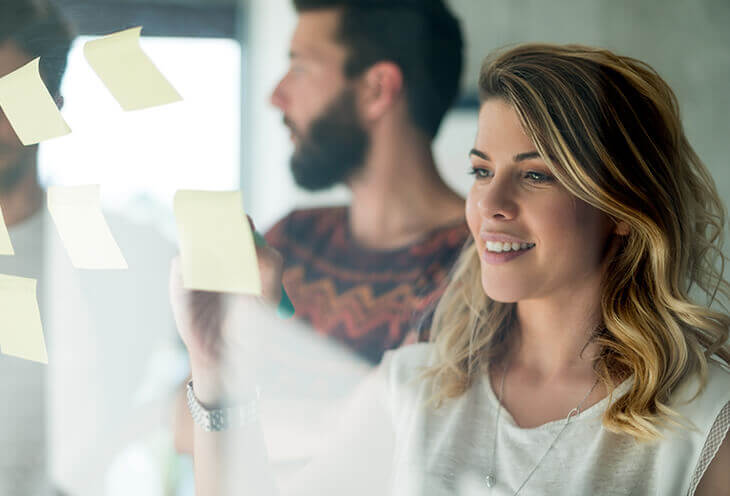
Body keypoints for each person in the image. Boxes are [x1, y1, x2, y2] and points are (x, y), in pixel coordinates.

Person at [171, 43, 730, 495]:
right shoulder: (413, 389)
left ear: (620, 208)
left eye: (535, 175)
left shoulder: (705, 420)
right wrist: (218, 370)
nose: (490, 205)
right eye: (481, 171)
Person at [0, 1, 180, 494]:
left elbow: (223, 357)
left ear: (52, 108)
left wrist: (129, 433)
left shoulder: (121, 250)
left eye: (12, 100)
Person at [264, 0, 469, 365]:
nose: (275, 98)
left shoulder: (481, 270)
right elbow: (185, 409)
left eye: (299, 68)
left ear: (377, 89)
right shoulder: (287, 244)